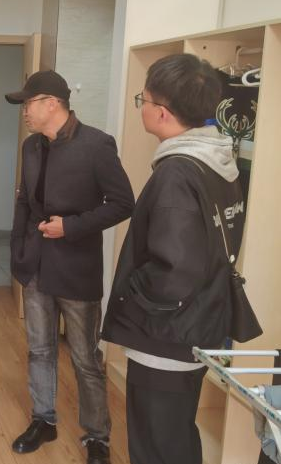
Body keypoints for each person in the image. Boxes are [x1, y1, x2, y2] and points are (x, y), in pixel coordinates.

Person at [102, 53, 245, 464]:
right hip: (199, 321)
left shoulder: (176, 173)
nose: (141, 107)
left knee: (155, 443)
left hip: (167, 334)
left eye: (142, 100)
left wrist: (131, 294)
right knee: (176, 435)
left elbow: (175, 268)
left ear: (161, 112)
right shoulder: (218, 161)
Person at [5, 70, 135, 464]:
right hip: (35, 265)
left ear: (52, 103)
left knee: (85, 359)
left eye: (28, 104)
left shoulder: (96, 144)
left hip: (76, 268)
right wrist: (17, 251)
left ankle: (97, 437)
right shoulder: (31, 146)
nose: (24, 112)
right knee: (39, 350)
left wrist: (72, 227)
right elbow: (24, 202)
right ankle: (43, 419)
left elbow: (123, 203)